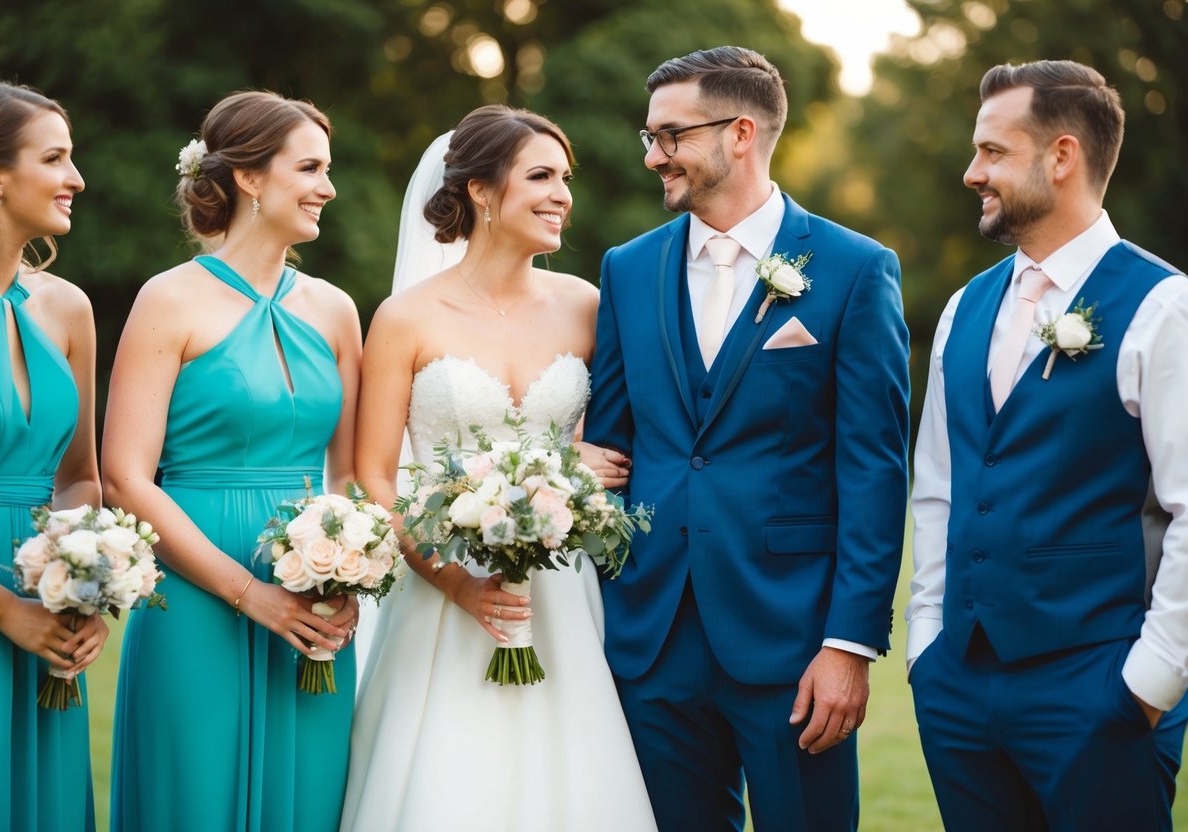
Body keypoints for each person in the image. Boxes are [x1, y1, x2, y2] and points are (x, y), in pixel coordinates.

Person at [584, 47, 910, 831]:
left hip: (794, 637)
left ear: (738, 133)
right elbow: (609, 440)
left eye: (670, 135)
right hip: (651, 634)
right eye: (649, 135)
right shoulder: (628, 269)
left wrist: (849, 645)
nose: (652, 155)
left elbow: (873, 468)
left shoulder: (854, 269)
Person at [340, 104, 657, 832]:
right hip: (441, 595)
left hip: (561, 597)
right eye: (540, 176)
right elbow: (374, 478)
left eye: (565, 178)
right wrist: (454, 583)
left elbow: (609, 446)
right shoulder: (405, 317)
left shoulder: (587, 306)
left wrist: (565, 475)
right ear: (480, 191)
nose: (562, 195)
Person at [907, 60, 1188, 831]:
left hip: (1097, 686)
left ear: (1060, 156)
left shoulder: (1162, 306)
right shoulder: (967, 305)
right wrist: (926, 648)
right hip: (958, 686)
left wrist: (1147, 682)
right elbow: (937, 485)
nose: (972, 173)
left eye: (993, 152)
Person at [103, 90, 362, 832]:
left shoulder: (336, 309)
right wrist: (249, 594)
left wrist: (349, 569)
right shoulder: (168, 299)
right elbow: (124, 475)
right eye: (309, 167)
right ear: (249, 178)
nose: (327, 187)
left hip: (313, 597)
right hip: (194, 589)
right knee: (193, 794)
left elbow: (349, 475)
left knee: (306, 798)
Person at [0, 80, 105, 832]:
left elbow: (80, 476)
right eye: (54, 158)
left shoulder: (68, 308)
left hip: (46, 607)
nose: (76, 178)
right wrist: (3, 612)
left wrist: (89, 581)